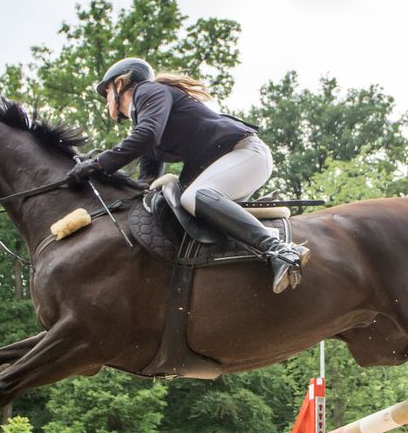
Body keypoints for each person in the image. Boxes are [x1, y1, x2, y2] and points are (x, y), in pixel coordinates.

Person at [68, 57, 310, 294]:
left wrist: (98, 163)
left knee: (193, 197)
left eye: (106, 92)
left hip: (246, 154)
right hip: (235, 161)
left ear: (119, 85)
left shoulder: (147, 91)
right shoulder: (147, 123)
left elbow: (146, 135)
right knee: (181, 203)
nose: (106, 100)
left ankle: (281, 250)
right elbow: (146, 183)